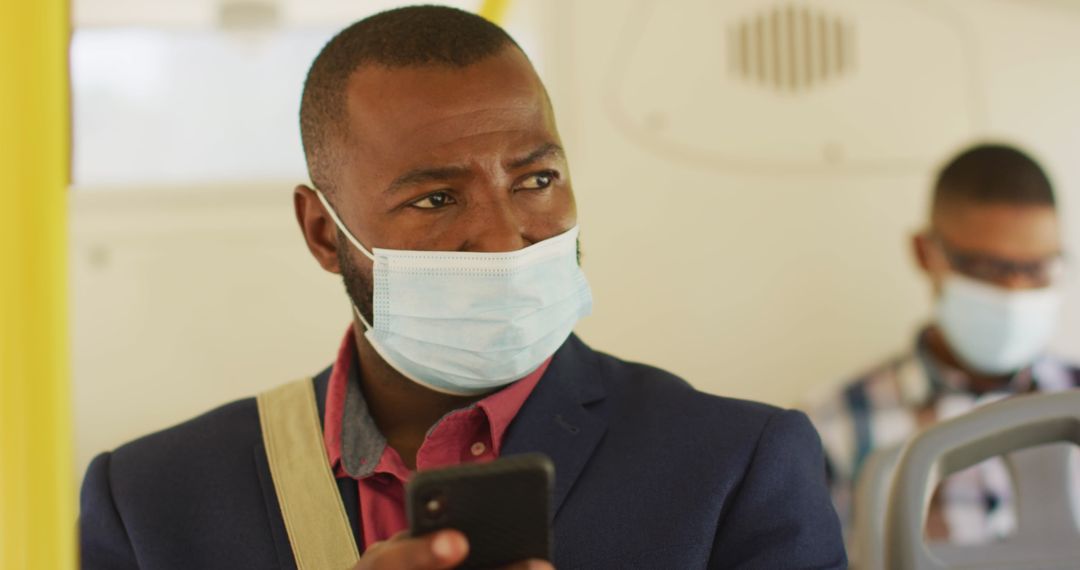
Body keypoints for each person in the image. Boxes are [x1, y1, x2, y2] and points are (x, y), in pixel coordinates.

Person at [79, 6, 845, 569]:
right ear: (322, 233)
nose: (504, 237)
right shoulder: (152, 501)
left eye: (536, 180)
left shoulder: (735, 466)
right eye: (437, 198)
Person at [806, 143, 1080, 545]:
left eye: (1037, 269)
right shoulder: (832, 426)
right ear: (926, 252)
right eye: (987, 268)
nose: (1015, 291)